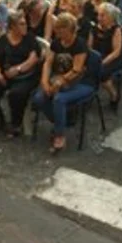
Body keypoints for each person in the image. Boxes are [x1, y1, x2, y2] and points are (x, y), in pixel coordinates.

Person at [33, 13, 92, 154]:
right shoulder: (57, 43)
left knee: (59, 99)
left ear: (70, 30)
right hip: (58, 78)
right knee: (39, 98)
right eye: (57, 29)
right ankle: (60, 120)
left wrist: (59, 82)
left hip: (80, 81)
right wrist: (44, 81)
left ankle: (60, 135)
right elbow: (48, 63)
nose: (58, 33)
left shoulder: (80, 44)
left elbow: (77, 70)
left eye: (62, 30)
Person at [0, 10, 40, 138]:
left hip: (25, 76)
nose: (25, 26)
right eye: (21, 24)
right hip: (5, 73)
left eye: (25, 24)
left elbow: (33, 59)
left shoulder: (30, 39)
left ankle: (15, 123)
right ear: (13, 26)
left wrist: (18, 69)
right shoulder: (3, 40)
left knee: (17, 94)